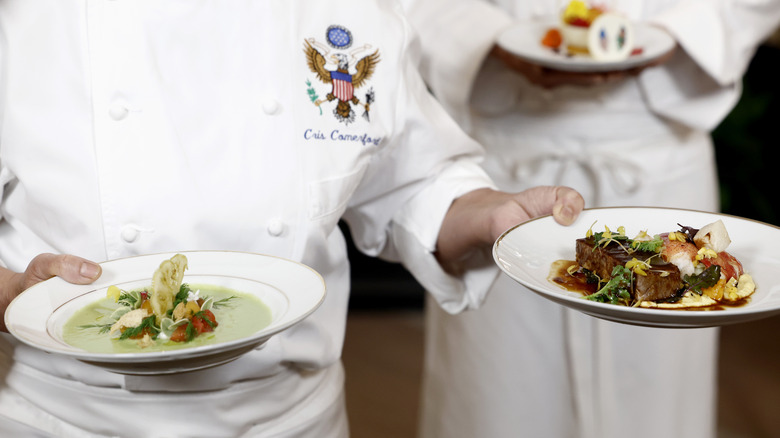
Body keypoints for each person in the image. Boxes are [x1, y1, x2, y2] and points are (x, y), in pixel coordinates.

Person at [0, 2, 585, 437]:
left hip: (295, 420)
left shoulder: (348, 12)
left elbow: (416, 183)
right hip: (66, 421)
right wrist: (13, 293)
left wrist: (488, 215)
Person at [399, 1, 780, 437]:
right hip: (505, 157)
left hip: (658, 152)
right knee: (501, 392)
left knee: (655, 401)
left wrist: (677, 33)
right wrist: (484, 37)